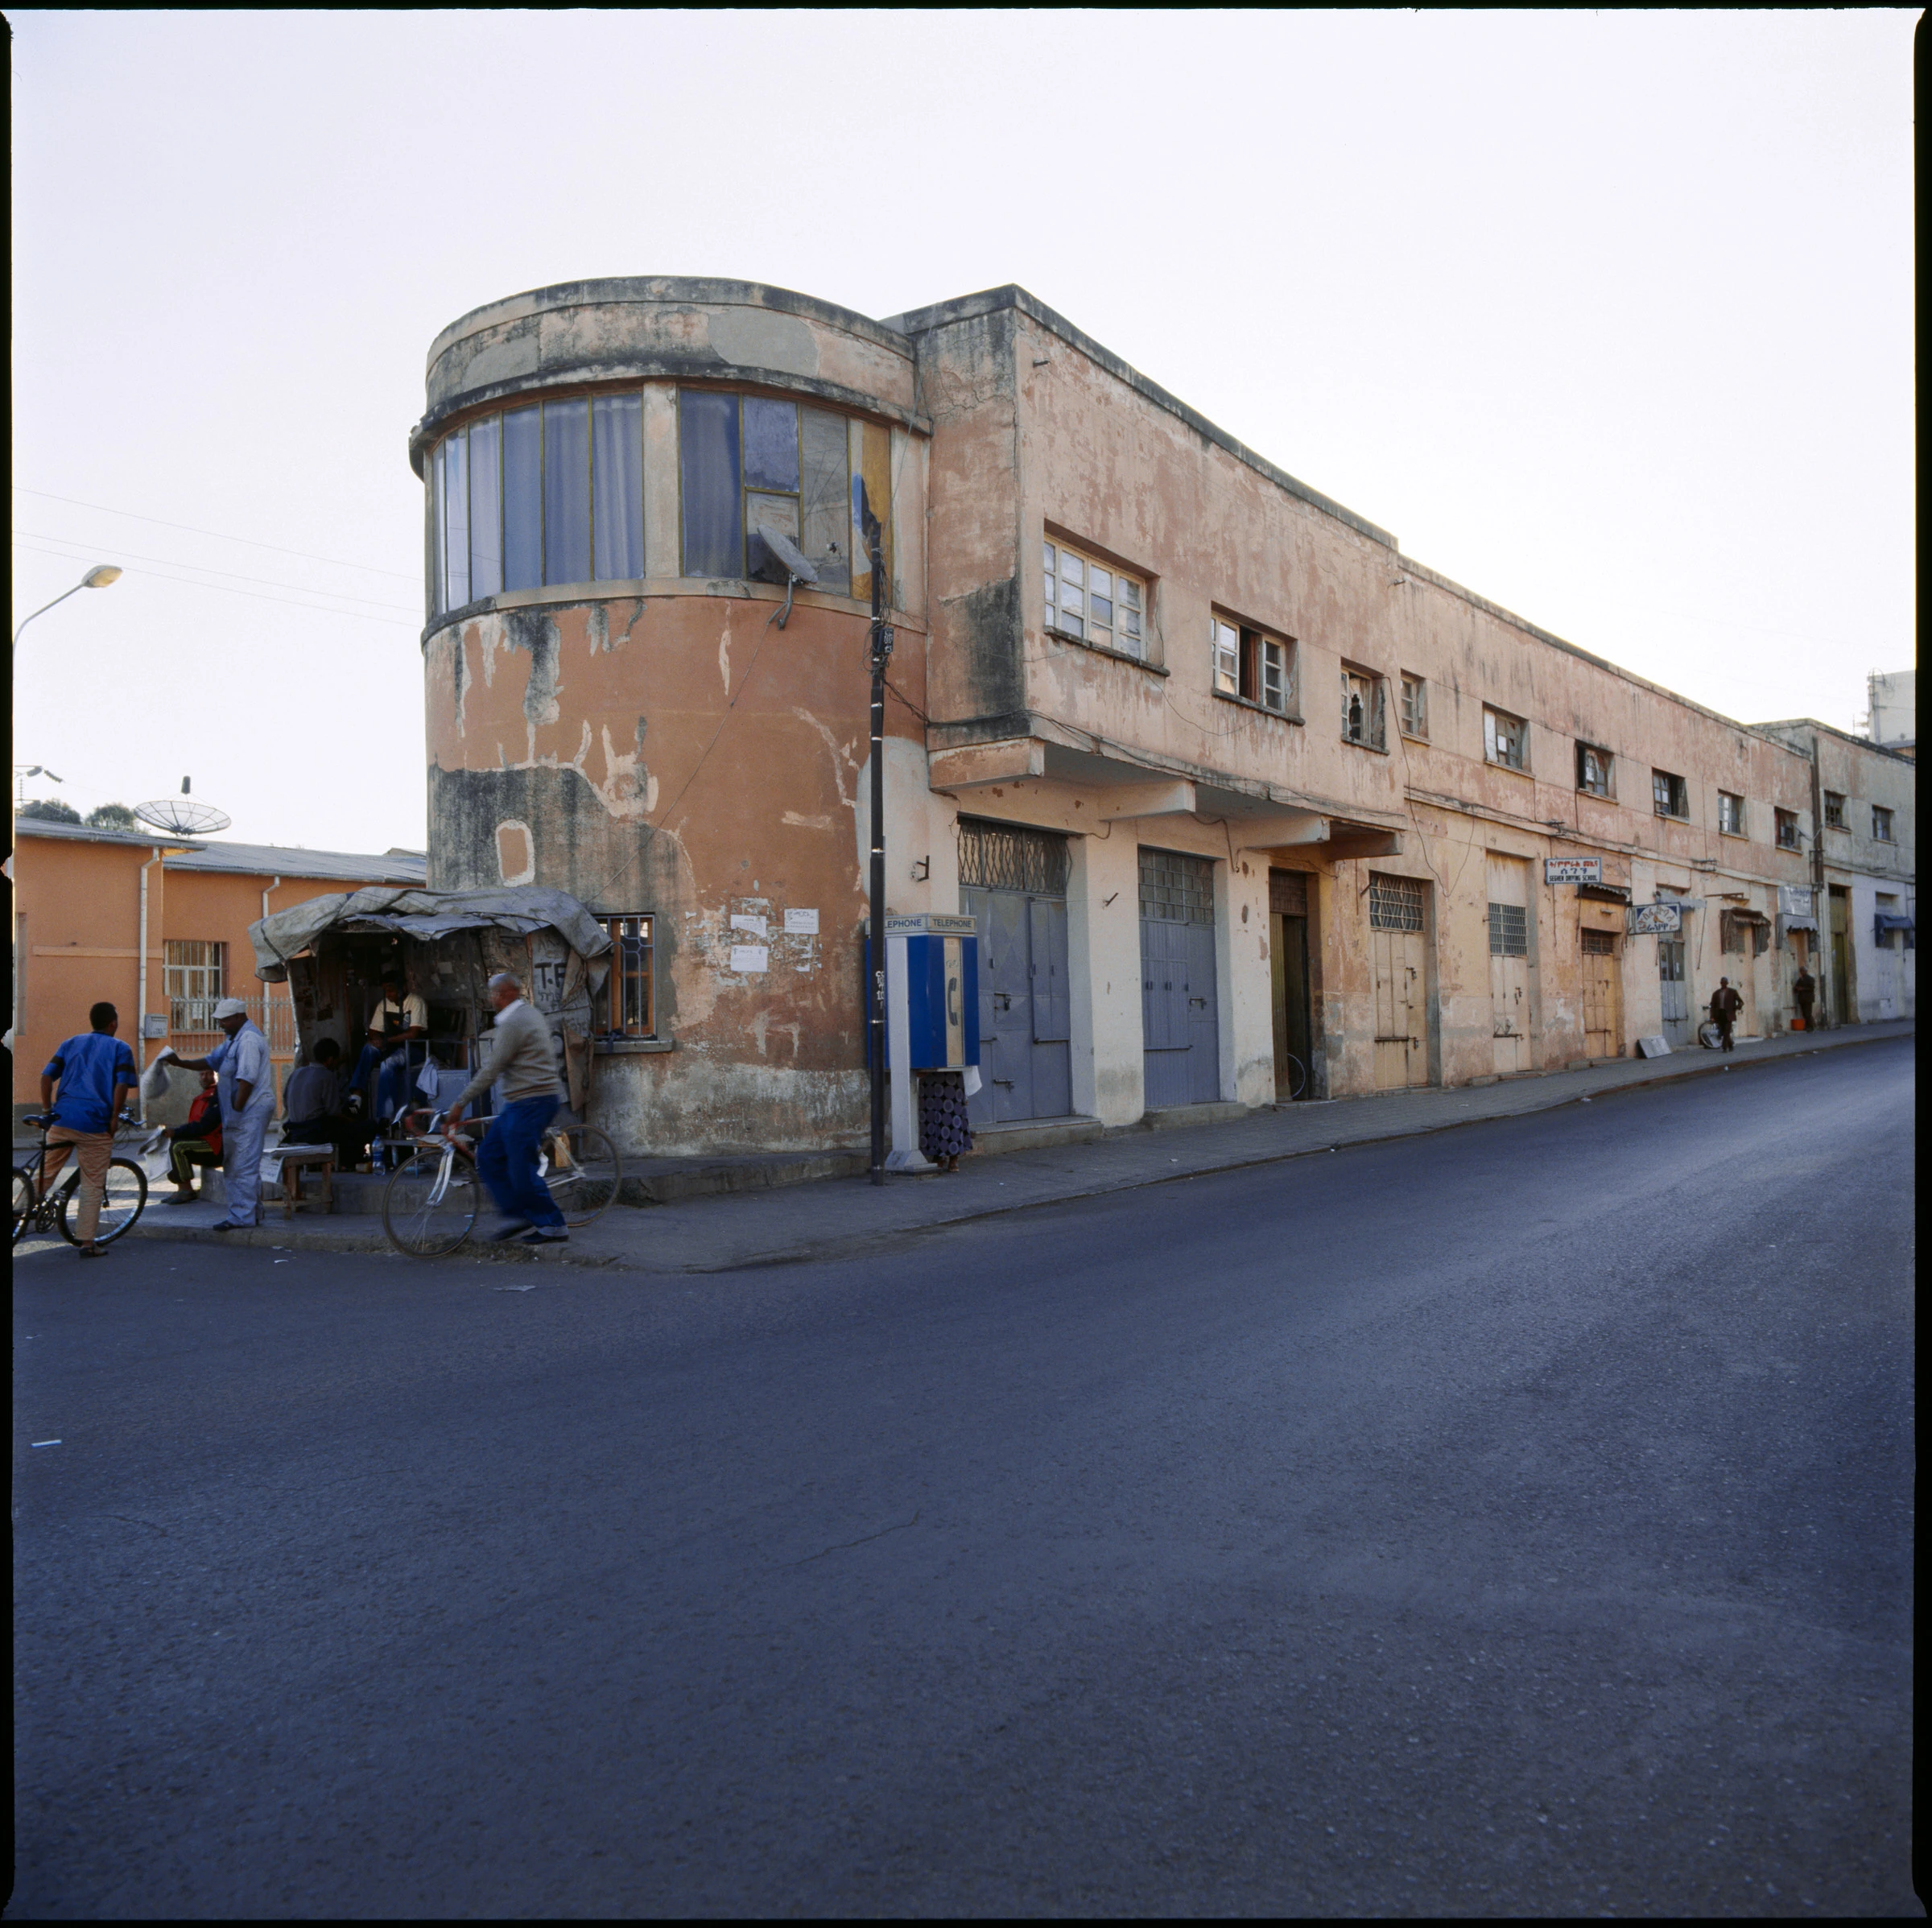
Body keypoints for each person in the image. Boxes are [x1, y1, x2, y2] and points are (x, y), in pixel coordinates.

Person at [442, 971, 568, 1245]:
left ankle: (553, 1224)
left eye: (495, 993)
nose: (492, 998)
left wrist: (460, 1102)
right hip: (521, 1101)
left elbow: (492, 1069)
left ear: (508, 993)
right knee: (488, 1157)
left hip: (532, 1101)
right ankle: (519, 1214)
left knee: (521, 1167)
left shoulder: (515, 1022)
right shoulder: (526, 1014)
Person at [38, 1001, 139, 1258]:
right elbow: (121, 1086)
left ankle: (19, 1215)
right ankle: (87, 1243)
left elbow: (46, 1076)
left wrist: (47, 1109)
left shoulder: (70, 1043)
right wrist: (114, 1117)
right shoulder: (121, 1048)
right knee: (93, 1183)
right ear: (113, 1024)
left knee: (44, 1174)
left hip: (62, 1120)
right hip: (95, 1124)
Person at [169, 997, 277, 1231]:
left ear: (239, 1017)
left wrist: (236, 1108)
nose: (221, 1025)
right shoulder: (232, 1040)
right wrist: (179, 1063)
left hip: (249, 1110)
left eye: (225, 1020)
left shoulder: (249, 1039)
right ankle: (251, 1213)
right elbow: (210, 1061)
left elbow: (247, 1078)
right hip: (238, 1111)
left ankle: (242, 1217)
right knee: (235, 1164)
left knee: (243, 1165)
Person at [281, 1038, 362, 1167]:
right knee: (361, 1128)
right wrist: (353, 1121)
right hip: (314, 1133)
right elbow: (334, 1112)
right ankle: (349, 1164)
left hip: (295, 1131)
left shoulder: (296, 1073)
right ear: (330, 1060)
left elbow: (286, 1104)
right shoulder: (327, 1076)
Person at [372, 968, 430, 1125]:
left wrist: (387, 1041)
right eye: (386, 991)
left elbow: (413, 1034)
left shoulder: (416, 1001)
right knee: (368, 1052)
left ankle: (385, 1117)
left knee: (388, 1064)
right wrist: (377, 1040)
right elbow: (373, 1030)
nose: (388, 994)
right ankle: (356, 1095)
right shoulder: (384, 1004)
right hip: (393, 1049)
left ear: (402, 987)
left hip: (414, 1049)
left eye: (391, 990)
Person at [161, 1069, 224, 1203]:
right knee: (169, 1143)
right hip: (203, 1139)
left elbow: (205, 1126)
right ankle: (181, 1187)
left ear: (217, 1075)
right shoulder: (204, 1096)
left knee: (178, 1147)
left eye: (209, 1074)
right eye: (202, 1074)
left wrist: (177, 1132)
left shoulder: (216, 1096)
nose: (205, 1077)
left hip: (215, 1145)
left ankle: (187, 1190)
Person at [1710, 976, 1744, 1054]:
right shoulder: (1716, 993)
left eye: (1725, 982)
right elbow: (1713, 1006)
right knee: (1724, 1031)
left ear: (1727, 983)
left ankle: (1724, 1047)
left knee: (1727, 1031)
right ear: (1720, 983)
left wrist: (1737, 1007)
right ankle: (1730, 1045)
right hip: (1720, 1014)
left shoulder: (1732, 992)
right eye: (1722, 982)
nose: (1723, 984)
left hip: (1729, 1014)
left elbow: (1741, 1002)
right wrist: (1712, 1016)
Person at [1794, 964, 1817, 1031]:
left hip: (1808, 999)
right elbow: (1796, 987)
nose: (1801, 972)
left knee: (1808, 1013)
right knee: (1804, 1014)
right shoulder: (1800, 979)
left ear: (1806, 971)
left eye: (1803, 971)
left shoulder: (1810, 979)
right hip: (1802, 999)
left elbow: (1812, 988)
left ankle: (1811, 1026)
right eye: (1801, 971)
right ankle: (1807, 1026)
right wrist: (1797, 988)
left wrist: (1803, 989)